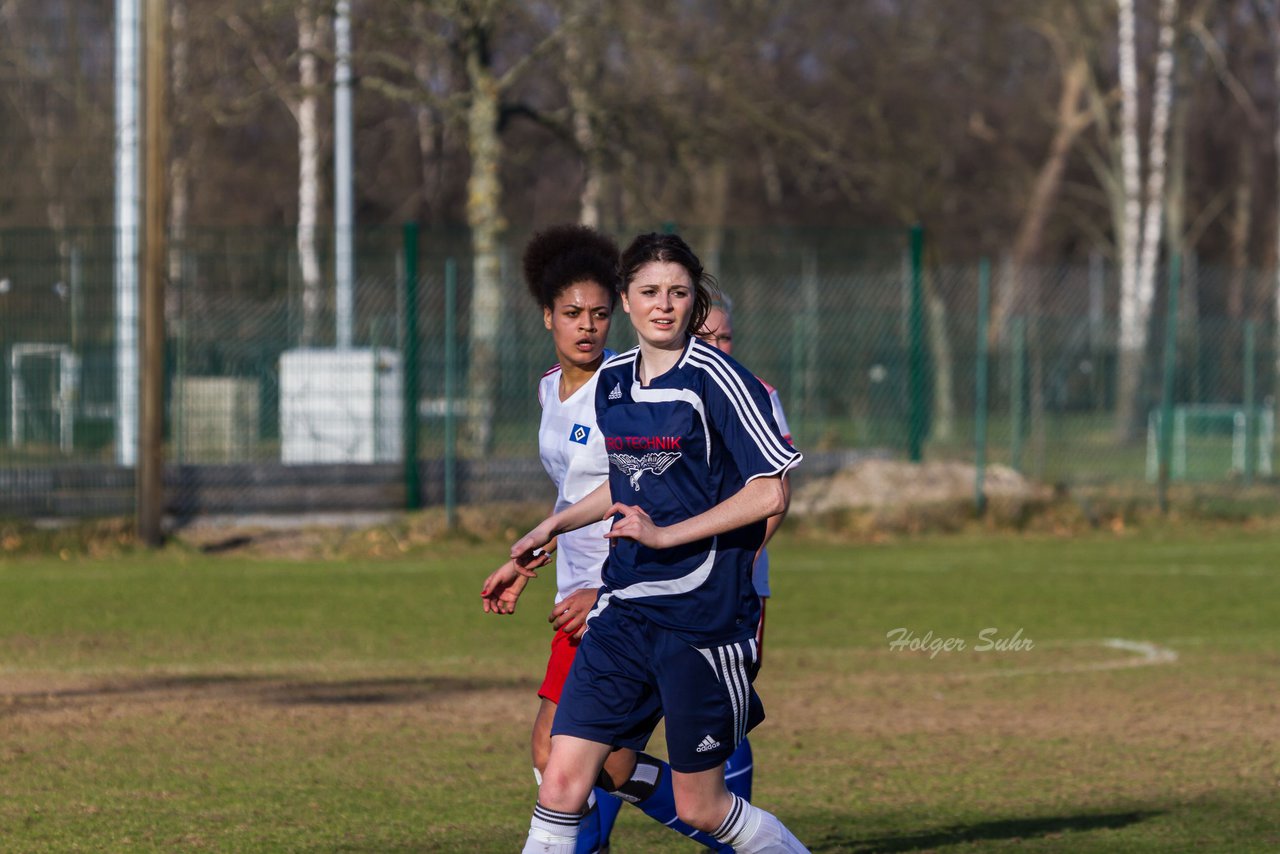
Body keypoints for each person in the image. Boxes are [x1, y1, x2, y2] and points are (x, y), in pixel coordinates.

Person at [511, 232, 808, 853]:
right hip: (623, 611)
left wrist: (666, 533)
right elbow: (623, 479)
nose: (663, 305)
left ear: (693, 301)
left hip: (700, 619)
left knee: (704, 809)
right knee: (561, 777)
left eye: (677, 292)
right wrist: (552, 525)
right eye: (649, 292)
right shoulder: (615, 381)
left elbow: (770, 492)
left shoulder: (720, 381)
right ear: (628, 298)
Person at [480, 225, 727, 853]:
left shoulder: (621, 390)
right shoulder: (547, 389)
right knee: (605, 765)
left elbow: (647, 495)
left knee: (555, 753)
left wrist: (603, 588)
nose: (587, 327)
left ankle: (720, 828)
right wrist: (535, 548)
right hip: (575, 590)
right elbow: (576, 490)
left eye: (596, 314)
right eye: (571, 314)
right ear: (546, 317)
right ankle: (725, 830)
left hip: (622, 594)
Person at [695, 294, 795, 804]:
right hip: (654, 581)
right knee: (614, 724)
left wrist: (741, 559)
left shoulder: (757, 393)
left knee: (721, 714)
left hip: (731, 582)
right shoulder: (647, 389)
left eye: (724, 336)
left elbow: (775, 494)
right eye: (704, 336)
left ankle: (738, 838)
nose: (716, 346)